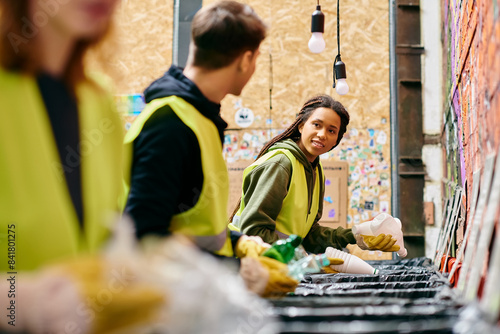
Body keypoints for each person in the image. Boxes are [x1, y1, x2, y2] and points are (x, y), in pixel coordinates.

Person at [123, 0, 301, 296]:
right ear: (245, 60)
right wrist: (237, 270)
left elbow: (192, 226)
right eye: (256, 58)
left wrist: (239, 242)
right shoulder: (170, 124)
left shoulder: (199, 120)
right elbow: (145, 240)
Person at [229, 94, 402, 255]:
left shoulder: (315, 170)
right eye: (316, 125)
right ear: (302, 125)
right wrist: (301, 259)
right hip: (244, 264)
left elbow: (309, 235)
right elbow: (253, 231)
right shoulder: (281, 164)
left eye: (331, 131)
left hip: (275, 265)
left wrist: (355, 235)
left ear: (336, 141)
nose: (322, 134)